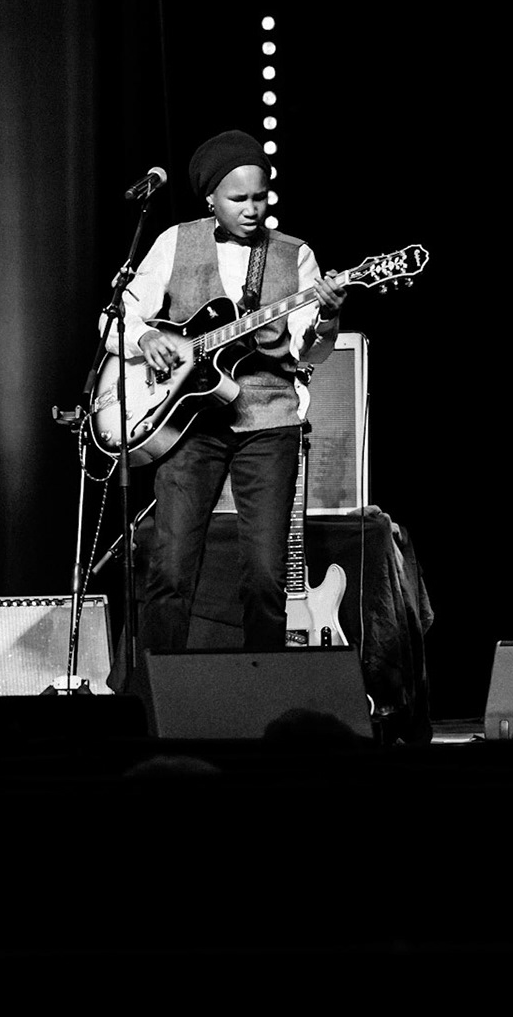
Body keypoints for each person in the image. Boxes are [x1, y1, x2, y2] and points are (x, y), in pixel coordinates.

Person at [110, 129, 346, 655]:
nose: (252, 209)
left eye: (260, 197)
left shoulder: (295, 255)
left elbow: (309, 353)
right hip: (187, 425)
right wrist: (145, 337)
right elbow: (117, 319)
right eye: (239, 199)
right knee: (170, 571)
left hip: (269, 421)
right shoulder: (175, 242)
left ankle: (260, 693)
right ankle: (154, 693)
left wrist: (327, 315)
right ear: (210, 199)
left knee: (265, 578)